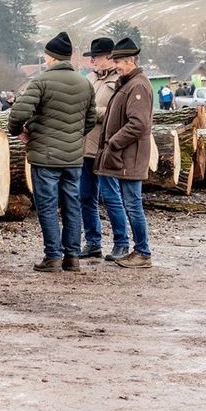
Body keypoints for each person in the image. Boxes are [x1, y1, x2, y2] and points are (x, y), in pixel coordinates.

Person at [7, 31, 95, 273]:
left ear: (53, 58)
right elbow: (90, 120)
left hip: (45, 156)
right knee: (72, 206)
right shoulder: (85, 83)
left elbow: (18, 113)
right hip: (73, 158)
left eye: (46, 56)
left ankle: (53, 257)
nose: (45, 60)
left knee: (47, 206)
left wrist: (20, 131)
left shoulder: (41, 82)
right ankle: (73, 257)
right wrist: (74, 137)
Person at [95, 37, 154, 268]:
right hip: (127, 155)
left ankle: (143, 252)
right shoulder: (129, 82)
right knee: (131, 203)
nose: (115, 65)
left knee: (133, 204)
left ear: (130, 61)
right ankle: (139, 250)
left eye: (118, 61)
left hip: (131, 156)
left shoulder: (137, 85)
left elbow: (138, 124)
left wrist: (114, 142)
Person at [75, 37, 118, 260]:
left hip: (106, 147)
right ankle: (93, 242)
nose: (92, 60)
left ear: (109, 57)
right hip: (85, 148)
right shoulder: (89, 79)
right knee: (85, 197)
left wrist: (92, 112)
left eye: (97, 56)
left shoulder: (120, 80)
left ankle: (120, 242)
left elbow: (115, 111)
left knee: (111, 197)